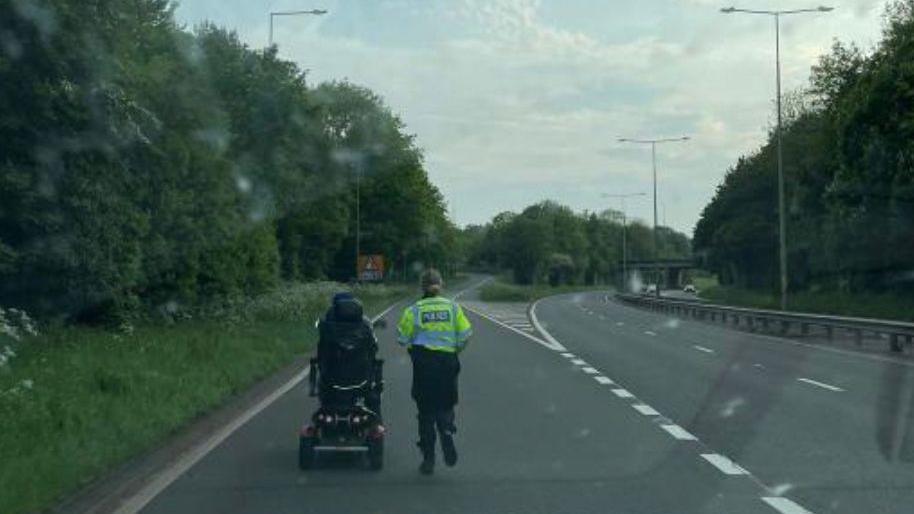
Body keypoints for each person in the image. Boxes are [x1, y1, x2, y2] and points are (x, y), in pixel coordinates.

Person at [397, 269, 472, 475]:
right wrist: (455, 349)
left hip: (424, 364)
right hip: (448, 362)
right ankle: (446, 431)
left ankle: (428, 459)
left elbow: (402, 337)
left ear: (422, 286)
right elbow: (466, 333)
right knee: (446, 403)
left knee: (426, 412)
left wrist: (414, 343)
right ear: (441, 285)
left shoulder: (415, 310)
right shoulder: (453, 308)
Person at [317, 292, 381, 418]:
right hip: (362, 381)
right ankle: (377, 423)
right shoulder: (365, 325)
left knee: (324, 395)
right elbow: (374, 348)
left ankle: (327, 413)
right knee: (373, 398)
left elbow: (321, 353)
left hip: (332, 382)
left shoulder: (326, 327)